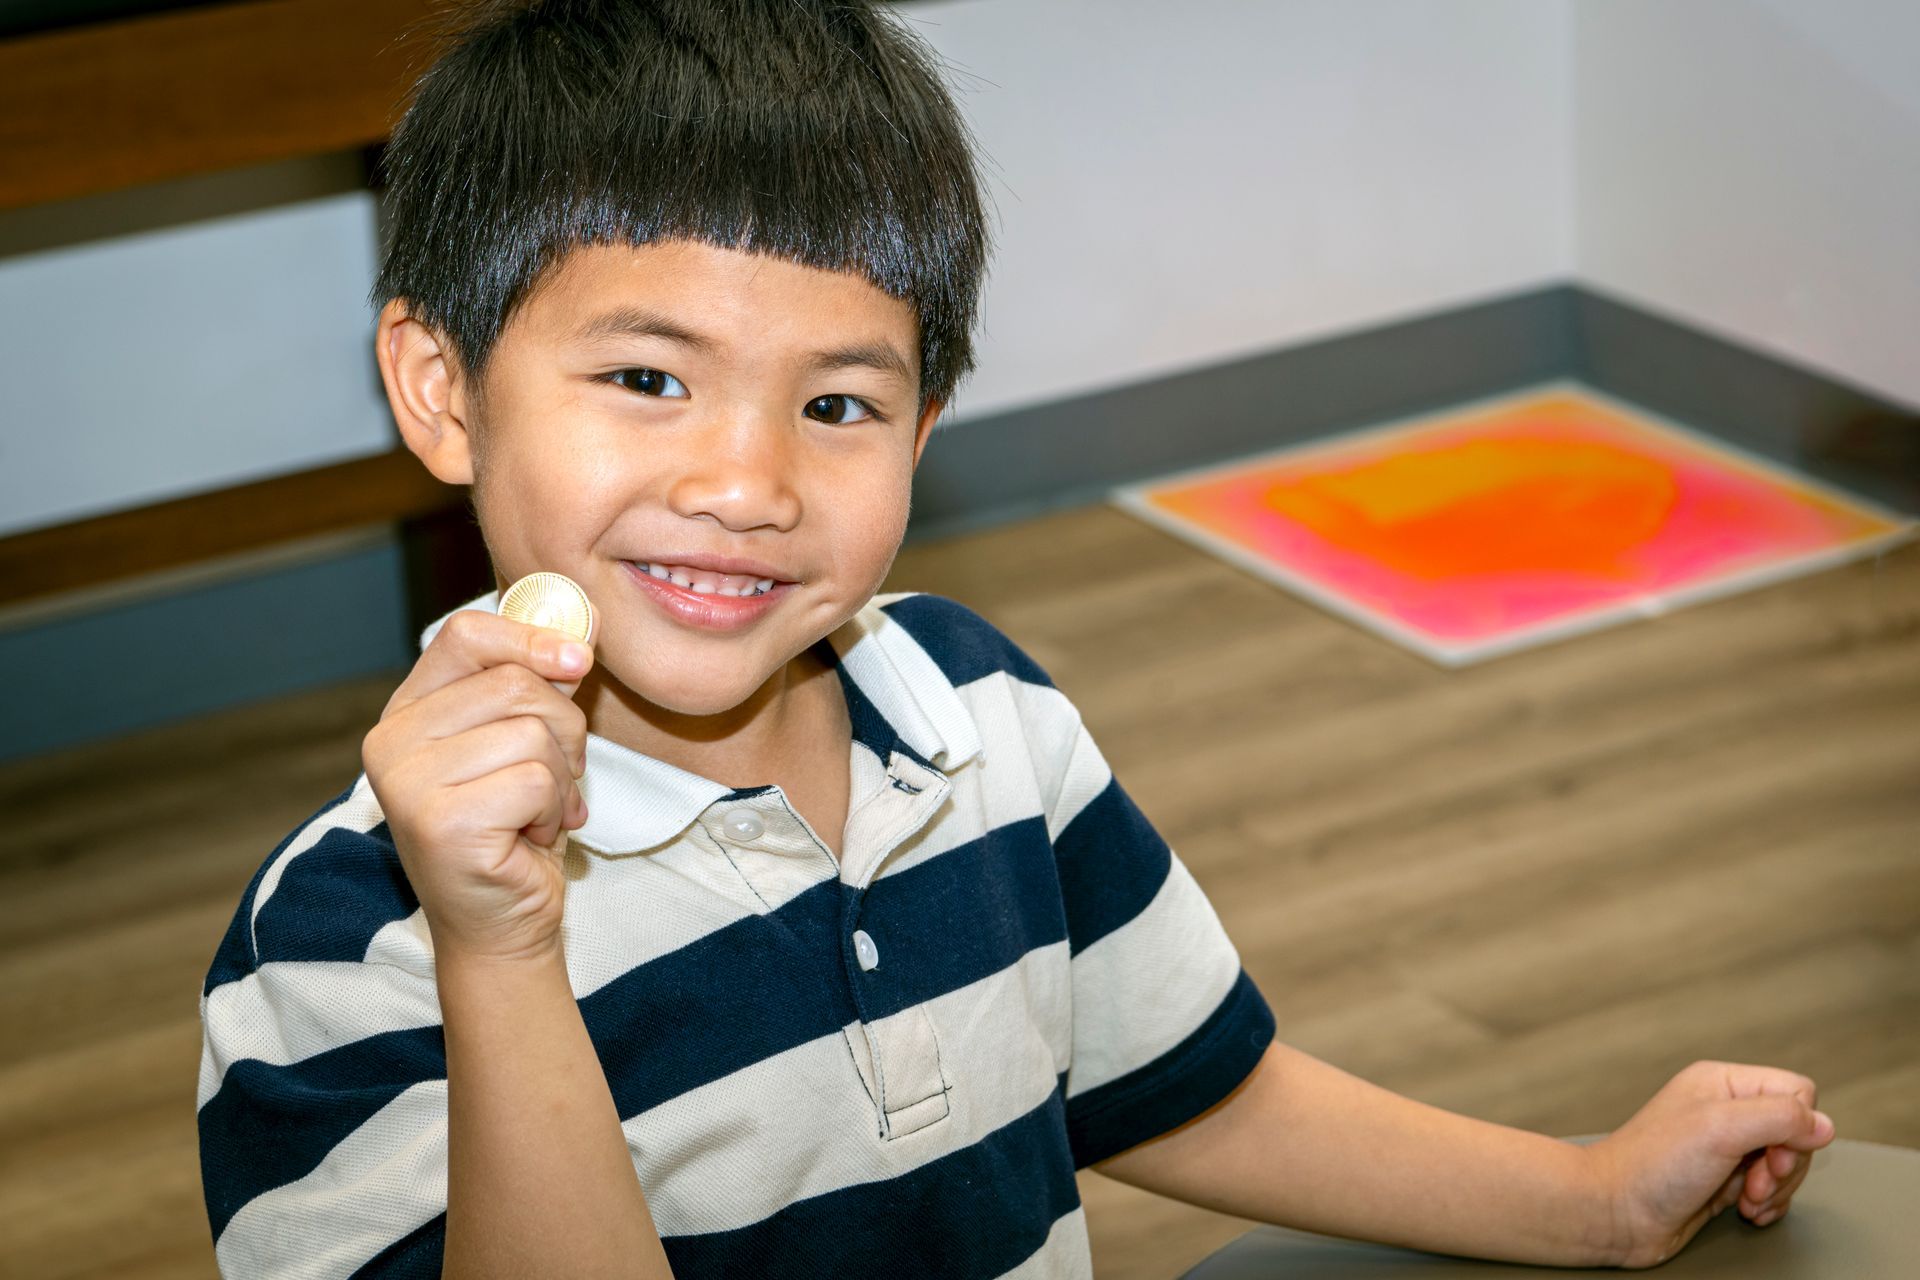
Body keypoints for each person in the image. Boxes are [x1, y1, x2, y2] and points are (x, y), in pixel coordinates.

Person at [195, 2, 1834, 1276]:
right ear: (438, 388)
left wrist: (1590, 1200)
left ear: (928, 428)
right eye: (647, 379)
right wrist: (502, 956)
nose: (748, 484)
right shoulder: (342, 952)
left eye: (839, 403)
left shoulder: (976, 713)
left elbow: (1185, 1083)